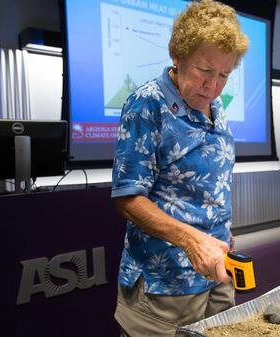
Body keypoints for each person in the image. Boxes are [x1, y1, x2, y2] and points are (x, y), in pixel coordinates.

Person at [110, 0, 249, 336]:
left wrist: (218, 231)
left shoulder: (215, 106)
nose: (213, 86)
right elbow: (127, 197)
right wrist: (191, 241)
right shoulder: (148, 103)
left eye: (224, 75)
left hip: (216, 272)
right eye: (204, 71)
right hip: (165, 286)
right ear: (177, 55)